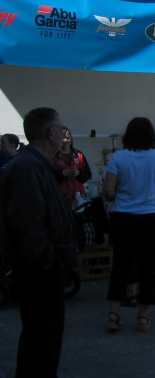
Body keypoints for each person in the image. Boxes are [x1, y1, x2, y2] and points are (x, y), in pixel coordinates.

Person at [0, 108, 75, 377]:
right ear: (50, 133)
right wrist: (50, 262)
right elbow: (29, 224)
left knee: (44, 338)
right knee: (41, 340)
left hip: (41, 268)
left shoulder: (37, 165)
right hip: (38, 272)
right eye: (61, 129)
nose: (64, 135)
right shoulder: (28, 168)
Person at [103, 117, 155, 335]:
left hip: (123, 217)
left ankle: (114, 315)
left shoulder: (118, 157)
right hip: (152, 217)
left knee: (120, 266)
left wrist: (123, 193)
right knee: (149, 268)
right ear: (151, 136)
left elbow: (108, 191)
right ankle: (143, 317)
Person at [53, 127, 92, 208]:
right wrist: (63, 173)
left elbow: (88, 174)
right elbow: (48, 177)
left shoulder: (78, 155)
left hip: (79, 199)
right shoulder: (53, 156)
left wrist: (78, 173)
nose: (67, 135)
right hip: (61, 200)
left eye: (68, 133)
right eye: (63, 134)